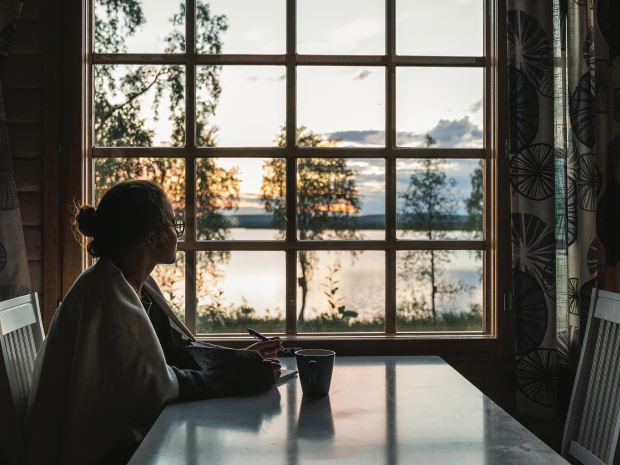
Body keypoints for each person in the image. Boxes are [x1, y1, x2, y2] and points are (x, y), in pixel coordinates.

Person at [24, 180, 281, 465]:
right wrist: (246, 378)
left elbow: (174, 352)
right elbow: (158, 388)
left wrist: (238, 360)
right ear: (150, 236)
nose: (177, 230)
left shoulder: (133, 285)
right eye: (172, 222)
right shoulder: (107, 297)